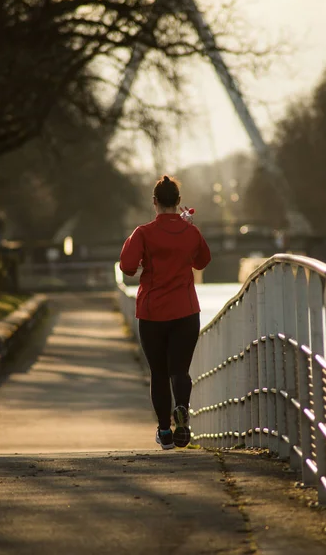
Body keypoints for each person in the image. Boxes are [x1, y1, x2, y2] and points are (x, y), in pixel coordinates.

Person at [119, 175, 211, 450]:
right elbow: (203, 261)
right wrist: (191, 230)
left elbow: (126, 266)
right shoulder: (190, 232)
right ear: (179, 202)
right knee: (179, 371)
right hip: (185, 311)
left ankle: (165, 432)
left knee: (158, 373)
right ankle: (182, 408)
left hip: (152, 312)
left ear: (155, 202)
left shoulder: (143, 233)